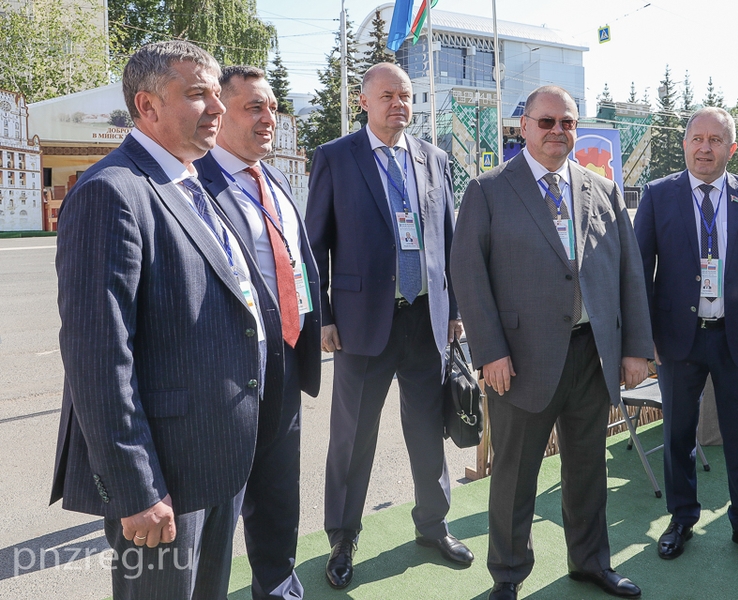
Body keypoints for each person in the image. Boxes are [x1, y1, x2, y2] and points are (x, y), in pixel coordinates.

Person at [50, 41, 285, 599]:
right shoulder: (111, 192)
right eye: (198, 94)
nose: (218, 108)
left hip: (215, 460)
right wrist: (135, 487)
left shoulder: (188, 180)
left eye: (216, 93)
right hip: (164, 477)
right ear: (147, 105)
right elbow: (99, 358)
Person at [451, 85, 652, 600]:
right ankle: (508, 575)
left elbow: (629, 272)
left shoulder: (602, 189)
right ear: (524, 127)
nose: (557, 131)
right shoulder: (488, 189)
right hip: (519, 361)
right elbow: (468, 275)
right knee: (515, 476)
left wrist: (635, 348)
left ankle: (591, 563)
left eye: (567, 122)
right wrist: (490, 352)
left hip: (592, 356)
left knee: (587, 470)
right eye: (546, 122)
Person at [305, 62, 473, 590]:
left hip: (426, 320)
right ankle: (342, 536)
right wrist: (325, 317)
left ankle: (433, 525)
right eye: (387, 96)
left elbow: (449, 241)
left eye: (405, 96)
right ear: (363, 102)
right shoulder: (335, 158)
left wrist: (456, 311)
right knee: (353, 437)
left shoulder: (434, 158)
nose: (399, 105)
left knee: (428, 429)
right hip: (360, 326)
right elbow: (314, 247)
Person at [634, 107, 738, 568]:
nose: (705, 148)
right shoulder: (658, 194)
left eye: (716, 140)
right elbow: (639, 271)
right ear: (685, 143)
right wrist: (644, 338)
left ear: (731, 148)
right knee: (677, 434)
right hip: (676, 340)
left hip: (736, 338)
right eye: (697, 139)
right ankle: (681, 519)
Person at [194, 66, 321, 599]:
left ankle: (277, 584)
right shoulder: (194, 183)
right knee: (218, 505)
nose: (269, 118)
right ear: (220, 113)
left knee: (278, 490)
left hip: (285, 358)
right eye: (254, 108)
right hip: (228, 373)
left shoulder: (275, 179)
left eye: (272, 107)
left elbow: (294, 263)